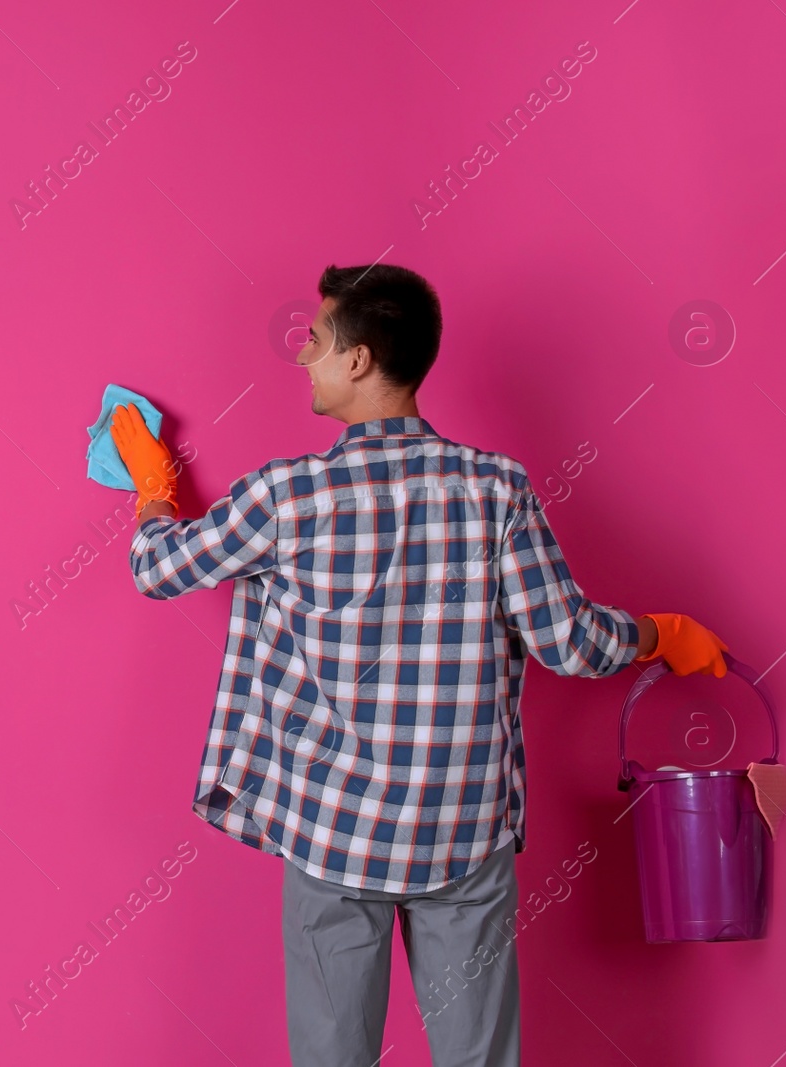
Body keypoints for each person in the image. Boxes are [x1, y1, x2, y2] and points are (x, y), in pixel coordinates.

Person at [107, 263, 728, 1067]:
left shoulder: (289, 497)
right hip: (461, 831)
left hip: (333, 832)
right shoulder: (494, 489)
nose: (303, 356)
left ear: (360, 358)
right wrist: (657, 633)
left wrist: (154, 488)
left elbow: (159, 569)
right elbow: (568, 641)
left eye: (316, 339)